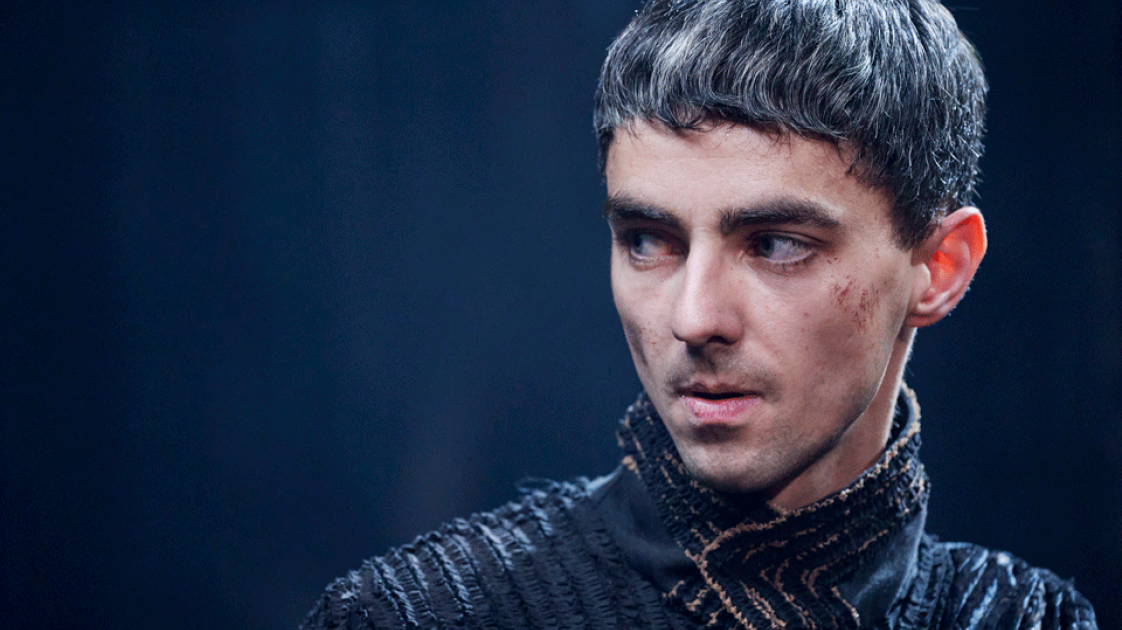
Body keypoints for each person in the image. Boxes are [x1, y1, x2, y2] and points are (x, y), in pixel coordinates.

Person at [300, 0, 1098, 627]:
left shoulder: (1034, 620)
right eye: (648, 240)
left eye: (776, 245)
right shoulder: (417, 616)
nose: (693, 318)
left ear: (939, 268)